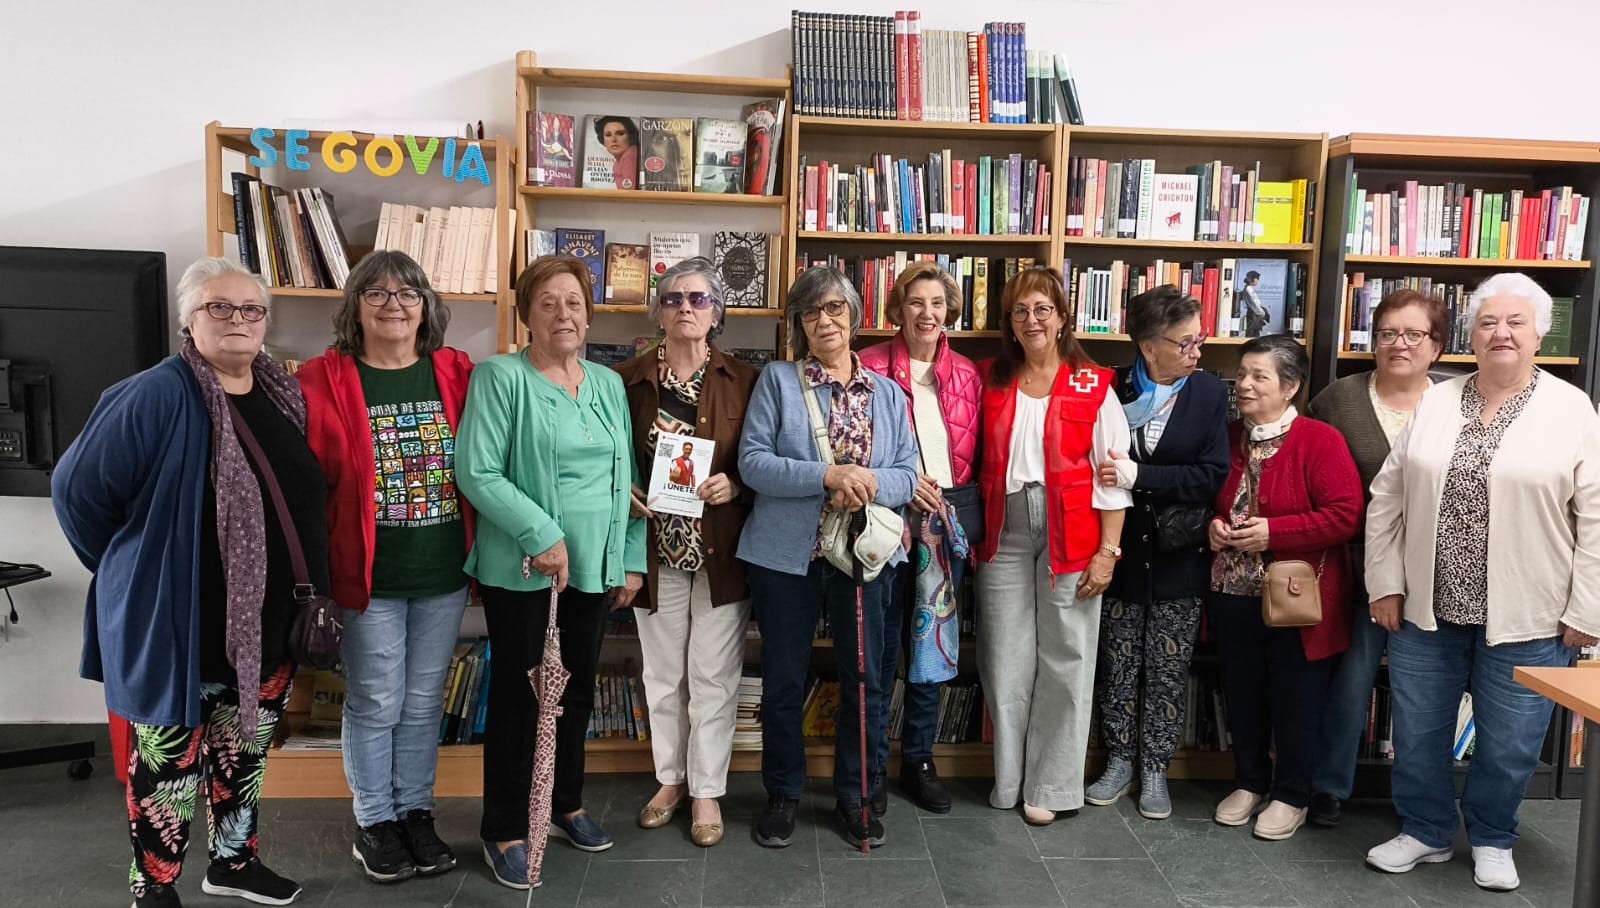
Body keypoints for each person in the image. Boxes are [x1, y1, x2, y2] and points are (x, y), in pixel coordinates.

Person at [53, 257, 324, 908]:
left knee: (241, 756)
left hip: (262, 630)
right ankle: (154, 886)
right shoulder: (156, 393)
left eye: (251, 309)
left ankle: (233, 862)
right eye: (219, 308)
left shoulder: (282, 393)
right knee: (167, 768)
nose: (237, 320)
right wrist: (132, 569)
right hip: (182, 625)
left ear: (266, 321)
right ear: (189, 319)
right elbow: (76, 492)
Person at [1362, 273, 1600, 892]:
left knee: (1512, 741)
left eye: (1516, 322)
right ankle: (1427, 830)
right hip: (1427, 608)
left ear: (1540, 334)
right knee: (1417, 733)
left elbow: (1596, 517)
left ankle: (1494, 836)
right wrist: (1384, 582)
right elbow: (1387, 495)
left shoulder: (1570, 408)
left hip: (1531, 613)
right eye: (1489, 322)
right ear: (1470, 334)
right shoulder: (1437, 400)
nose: (1501, 333)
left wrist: (1588, 610)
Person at [455, 255, 645, 888]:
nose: (563, 314)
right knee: (523, 698)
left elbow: (628, 483)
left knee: (576, 693)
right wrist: (544, 534)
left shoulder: (608, 384)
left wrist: (630, 559)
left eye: (574, 303)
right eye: (548, 303)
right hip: (527, 570)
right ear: (526, 314)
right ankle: (504, 828)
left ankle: (564, 804)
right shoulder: (500, 377)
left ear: (589, 314)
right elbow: (477, 472)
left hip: (595, 567)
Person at [297, 250, 475, 883]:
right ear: (355, 307)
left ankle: (415, 814)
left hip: (443, 570)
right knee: (376, 699)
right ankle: (375, 822)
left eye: (407, 293)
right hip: (365, 575)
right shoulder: (323, 379)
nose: (393, 304)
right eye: (376, 293)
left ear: (426, 306)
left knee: (424, 701)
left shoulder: (456, 371)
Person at [738, 266, 919, 851]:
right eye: (811, 313)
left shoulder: (888, 393)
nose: (825, 321)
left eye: (835, 309)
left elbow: (908, 474)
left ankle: (856, 796)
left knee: (864, 679)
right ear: (799, 324)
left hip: (865, 555)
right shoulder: (777, 382)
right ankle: (784, 794)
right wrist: (826, 475)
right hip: (786, 558)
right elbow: (753, 463)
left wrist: (862, 483)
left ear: (854, 315)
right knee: (785, 680)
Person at [974, 265, 1132, 826]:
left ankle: (1052, 785)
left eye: (1043, 309)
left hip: (1076, 532)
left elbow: (1112, 476)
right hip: (1005, 530)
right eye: (1020, 311)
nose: (1032, 320)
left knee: (1067, 656)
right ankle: (1011, 779)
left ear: (1063, 317)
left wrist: (1108, 552)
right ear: (1009, 324)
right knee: (1004, 657)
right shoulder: (991, 380)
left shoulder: (1095, 384)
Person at [615, 257, 759, 848]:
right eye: (672, 298)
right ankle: (669, 781)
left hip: (720, 552)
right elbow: (607, 455)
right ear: (657, 311)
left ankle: (706, 791)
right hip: (654, 552)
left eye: (698, 298)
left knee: (714, 679)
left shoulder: (747, 381)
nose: (684, 308)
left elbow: (765, 458)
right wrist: (619, 486)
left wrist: (738, 485)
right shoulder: (623, 379)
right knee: (663, 675)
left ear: (717, 311)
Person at [1206, 334, 1361, 841]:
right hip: (1231, 590)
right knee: (1243, 692)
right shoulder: (1228, 436)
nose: (1244, 384)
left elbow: (1345, 516)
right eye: (1242, 374)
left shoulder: (1321, 440)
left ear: (1290, 386)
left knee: (1296, 698)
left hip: (1299, 599)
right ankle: (1249, 782)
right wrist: (1213, 525)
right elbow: (1213, 496)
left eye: (1259, 376)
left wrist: (1275, 532)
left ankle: (1292, 793)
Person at [1086, 285, 1229, 820]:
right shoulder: (1110, 388)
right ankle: (1120, 761)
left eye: (1199, 340)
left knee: (1167, 671)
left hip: (1178, 555)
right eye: (1186, 343)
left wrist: (1139, 475)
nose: (1197, 353)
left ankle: (1154, 770)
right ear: (1149, 346)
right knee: (1119, 665)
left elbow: (1210, 477)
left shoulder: (1210, 393)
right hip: (1118, 552)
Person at [1306, 289, 1448, 828]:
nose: (1399, 345)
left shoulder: (1456, 403)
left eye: (1415, 335)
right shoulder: (1336, 401)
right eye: (1387, 333)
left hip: (1437, 569)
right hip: (1355, 564)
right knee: (1350, 680)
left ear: (1437, 346)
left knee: (1428, 688)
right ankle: (1328, 788)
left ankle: (1422, 799)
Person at [858, 261, 981, 816]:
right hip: (884, 524)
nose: (926, 314)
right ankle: (871, 762)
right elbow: (857, 448)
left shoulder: (967, 375)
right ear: (898, 310)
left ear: (948, 310)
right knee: (880, 653)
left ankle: (919, 760)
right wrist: (902, 488)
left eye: (936, 303)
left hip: (942, 529)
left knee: (931, 650)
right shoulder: (869, 366)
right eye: (915, 302)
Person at [594, 115, 639, 189]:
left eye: (620, 133)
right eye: (608, 135)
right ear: (603, 140)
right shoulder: (617, 163)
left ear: (630, 136)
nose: (614, 139)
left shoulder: (630, 156)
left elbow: (628, 195)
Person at [1239, 271, 1269, 337]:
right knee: (1252, 334)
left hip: (1255, 314)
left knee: (1255, 333)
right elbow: (1254, 304)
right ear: (1253, 279)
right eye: (1257, 279)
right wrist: (1262, 313)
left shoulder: (1249, 289)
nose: (1257, 281)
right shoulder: (1248, 289)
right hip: (1253, 314)